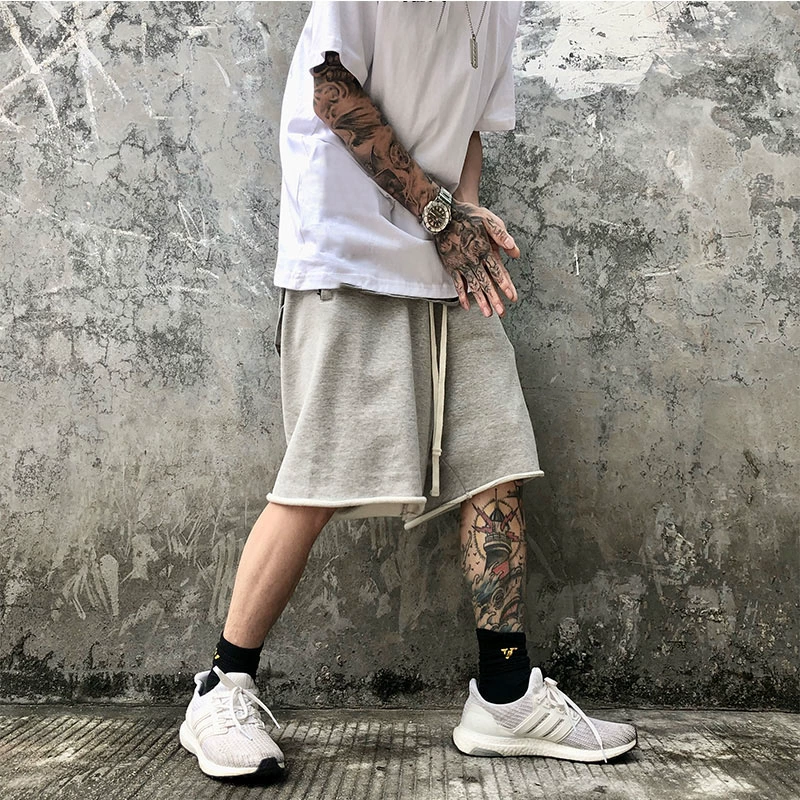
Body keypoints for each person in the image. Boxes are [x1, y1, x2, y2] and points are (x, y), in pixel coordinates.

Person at [179, 1, 637, 780]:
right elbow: (333, 94)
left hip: (441, 252)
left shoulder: (499, 8)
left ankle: (504, 697)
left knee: (495, 457)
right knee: (319, 479)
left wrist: (462, 211)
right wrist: (438, 214)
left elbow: (470, 129)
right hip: (347, 251)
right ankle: (222, 687)